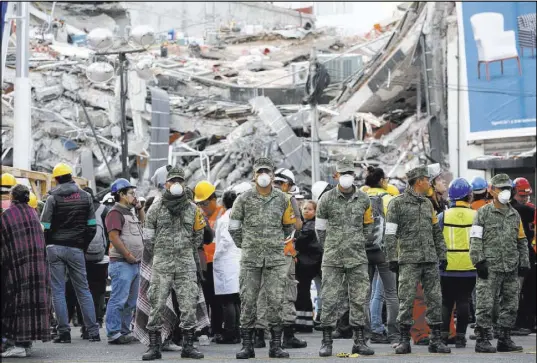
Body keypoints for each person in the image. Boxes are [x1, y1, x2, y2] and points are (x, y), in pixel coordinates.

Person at [228, 157, 296, 359]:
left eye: (267, 171)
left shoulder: (283, 199)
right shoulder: (243, 199)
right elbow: (234, 227)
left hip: (275, 259)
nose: (263, 175)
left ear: (273, 175)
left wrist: (274, 243)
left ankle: (275, 346)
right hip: (251, 259)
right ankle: (247, 345)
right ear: (254, 175)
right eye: (259, 172)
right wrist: (245, 244)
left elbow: (289, 227)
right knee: (248, 301)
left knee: (276, 301)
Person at [142, 167, 206, 360]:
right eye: (172, 181)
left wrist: (184, 250)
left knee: (188, 303)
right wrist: (162, 252)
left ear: (184, 184)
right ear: (166, 184)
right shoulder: (156, 207)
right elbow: (148, 237)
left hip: (186, 263)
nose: (176, 184)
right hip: (162, 263)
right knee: (157, 302)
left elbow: (198, 236)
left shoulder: (193, 209)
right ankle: (154, 347)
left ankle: (188, 346)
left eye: (179, 181)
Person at [385, 165, 450, 355]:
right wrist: (392, 257)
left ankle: (436, 339)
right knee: (406, 299)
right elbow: (389, 234)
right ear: (418, 181)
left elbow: (435, 232)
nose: (429, 183)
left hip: (429, 259)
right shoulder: (397, 204)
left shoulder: (427, 204)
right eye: (426, 179)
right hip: (408, 260)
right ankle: (404, 339)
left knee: (435, 298)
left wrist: (442, 254)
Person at [315, 158, 375, 357]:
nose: (346, 177)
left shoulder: (364, 199)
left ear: (354, 175)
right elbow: (320, 230)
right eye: (342, 173)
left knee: (359, 298)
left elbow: (369, 226)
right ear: (336, 176)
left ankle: (359, 341)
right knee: (330, 298)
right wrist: (331, 246)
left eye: (349, 173)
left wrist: (359, 242)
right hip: (332, 258)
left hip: (357, 257)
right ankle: (326, 342)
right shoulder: (326, 199)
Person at [40, 162, 100, 343]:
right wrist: (82, 244)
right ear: (71, 176)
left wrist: (48, 243)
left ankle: (64, 333)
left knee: (58, 291)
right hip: (76, 248)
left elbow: (45, 226)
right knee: (83, 290)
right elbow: (92, 226)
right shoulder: (85, 197)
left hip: (55, 248)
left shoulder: (52, 199)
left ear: (57, 179)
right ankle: (93, 332)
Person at [470, 174, 530, 353]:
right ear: (492, 190)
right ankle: (482, 339)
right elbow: (475, 238)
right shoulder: (483, 213)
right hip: (490, 267)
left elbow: (521, 240)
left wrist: (524, 261)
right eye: (501, 188)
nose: (505, 192)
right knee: (486, 304)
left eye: (507, 188)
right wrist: (478, 261)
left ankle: (504, 338)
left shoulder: (514, 214)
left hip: (510, 267)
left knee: (511, 304)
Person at [1, 185, 51, 358]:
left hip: (17, 268)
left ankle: (18, 344)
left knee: (16, 304)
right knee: (31, 303)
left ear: (13, 197)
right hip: (37, 268)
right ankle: (26, 343)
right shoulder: (33, 213)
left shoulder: (8, 216)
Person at [269, 168, 306, 349]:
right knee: (287, 294)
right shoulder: (288, 199)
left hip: (262, 254)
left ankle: (260, 336)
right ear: (285, 184)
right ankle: (288, 336)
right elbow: (297, 225)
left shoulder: (256, 197)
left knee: (263, 294)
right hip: (284, 253)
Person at [437, 178, 477, 348]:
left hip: (447, 267)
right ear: (469, 196)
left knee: (446, 301)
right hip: (469, 267)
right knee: (464, 300)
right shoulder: (476, 215)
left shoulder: (442, 216)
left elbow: (436, 239)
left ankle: (444, 335)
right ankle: (460, 337)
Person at [104, 179, 144, 344]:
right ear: (121, 195)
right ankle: (114, 332)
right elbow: (113, 237)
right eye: (130, 193)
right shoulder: (115, 213)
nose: (134, 196)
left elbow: (144, 223)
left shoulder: (130, 212)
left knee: (131, 301)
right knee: (119, 299)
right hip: (122, 263)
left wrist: (139, 208)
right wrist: (127, 255)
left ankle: (125, 330)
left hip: (134, 263)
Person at [194, 180, 225, 341]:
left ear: (213, 199)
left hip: (218, 263)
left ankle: (217, 329)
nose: (202, 207)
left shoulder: (223, 214)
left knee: (216, 299)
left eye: (204, 203)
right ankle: (204, 329)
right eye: (199, 203)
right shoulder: (199, 215)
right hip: (203, 263)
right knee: (203, 297)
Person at [213, 187, 244, 344]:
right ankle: (237, 331)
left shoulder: (225, 219)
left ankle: (230, 333)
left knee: (228, 300)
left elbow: (225, 240)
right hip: (237, 260)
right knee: (235, 298)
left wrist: (216, 256)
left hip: (226, 260)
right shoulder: (239, 216)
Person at [511, 177, 535, 335]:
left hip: (529, 256)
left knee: (526, 290)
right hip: (520, 256)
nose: (525, 198)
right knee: (518, 291)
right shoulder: (524, 210)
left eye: (527, 195)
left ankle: (525, 322)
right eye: (522, 196)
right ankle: (520, 323)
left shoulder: (529, 210)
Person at [294, 200, 322, 333]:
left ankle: (303, 324)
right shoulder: (307, 224)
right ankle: (305, 322)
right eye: (304, 208)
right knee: (303, 293)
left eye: (310, 209)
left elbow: (298, 241)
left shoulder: (310, 227)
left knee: (302, 293)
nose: (306, 211)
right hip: (308, 263)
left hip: (307, 264)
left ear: (315, 211)